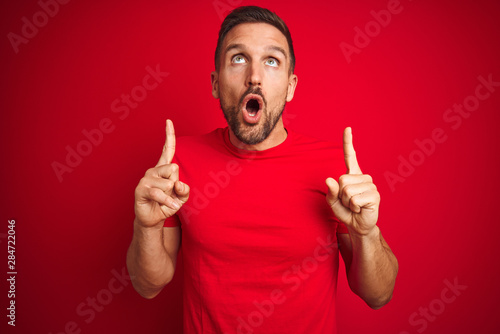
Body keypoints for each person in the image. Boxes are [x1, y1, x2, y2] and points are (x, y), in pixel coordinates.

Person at [126, 6, 398, 334]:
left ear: (290, 85)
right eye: (238, 58)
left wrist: (367, 233)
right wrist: (146, 226)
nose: (254, 76)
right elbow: (147, 286)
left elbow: (378, 295)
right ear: (215, 83)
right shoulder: (177, 163)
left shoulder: (334, 171)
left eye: (272, 61)